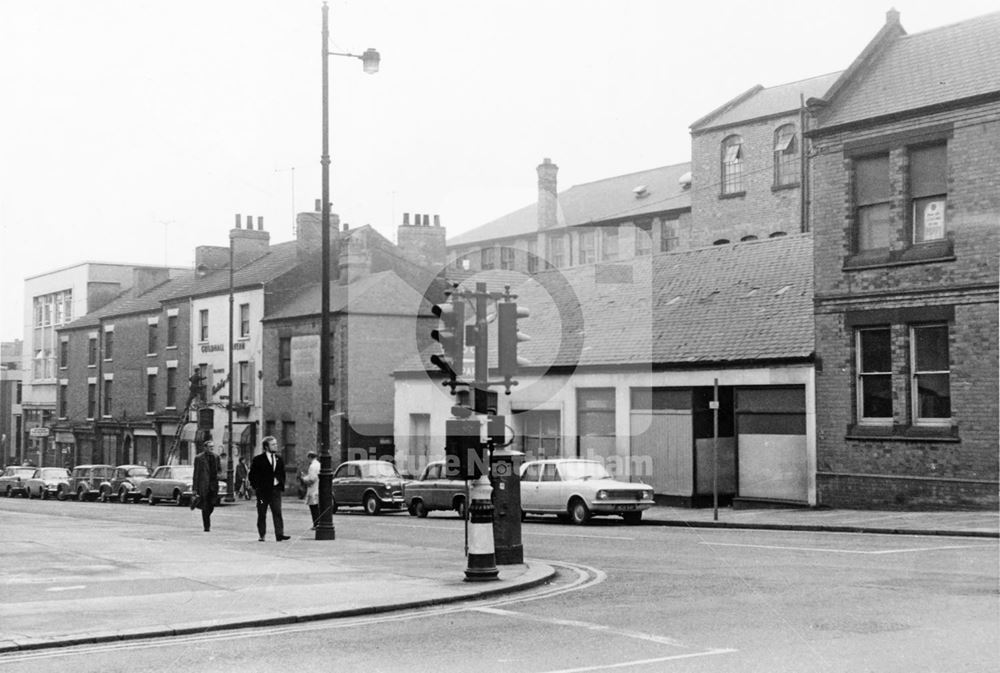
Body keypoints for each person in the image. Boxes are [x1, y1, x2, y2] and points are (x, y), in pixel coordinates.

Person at [249, 436, 290, 542]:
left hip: (275, 490)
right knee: (262, 513)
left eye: (276, 444)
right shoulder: (258, 459)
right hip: (262, 492)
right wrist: (256, 487)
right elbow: (252, 475)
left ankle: (279, 534)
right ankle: (262, 535)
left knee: (277, 512)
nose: (276, 446)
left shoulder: (279, 459)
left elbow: (282, 473)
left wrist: (281, 484)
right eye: (273, 444)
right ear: (266, 447)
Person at [192, 439, 220, 532]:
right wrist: (195, 489)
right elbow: (196, 474)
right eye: (210, 447)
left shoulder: (216, 457)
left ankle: (207, 516)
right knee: (205, 505)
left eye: (213, 447)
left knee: (211, 505)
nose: (212, 449)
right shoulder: (199, 458)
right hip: (204, 485)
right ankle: (206, 526)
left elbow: (218, 470)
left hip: (213, 485)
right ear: (205, 448)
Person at [302, 451, 321, 529]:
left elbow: (312, 479)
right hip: (318, 488)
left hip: (313, 490)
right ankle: (318, 523)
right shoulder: (319, 464)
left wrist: (304, 478)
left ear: (310, 457)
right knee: (317, 507)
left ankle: (316, 523)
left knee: (313, 508)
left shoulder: (312, 466)